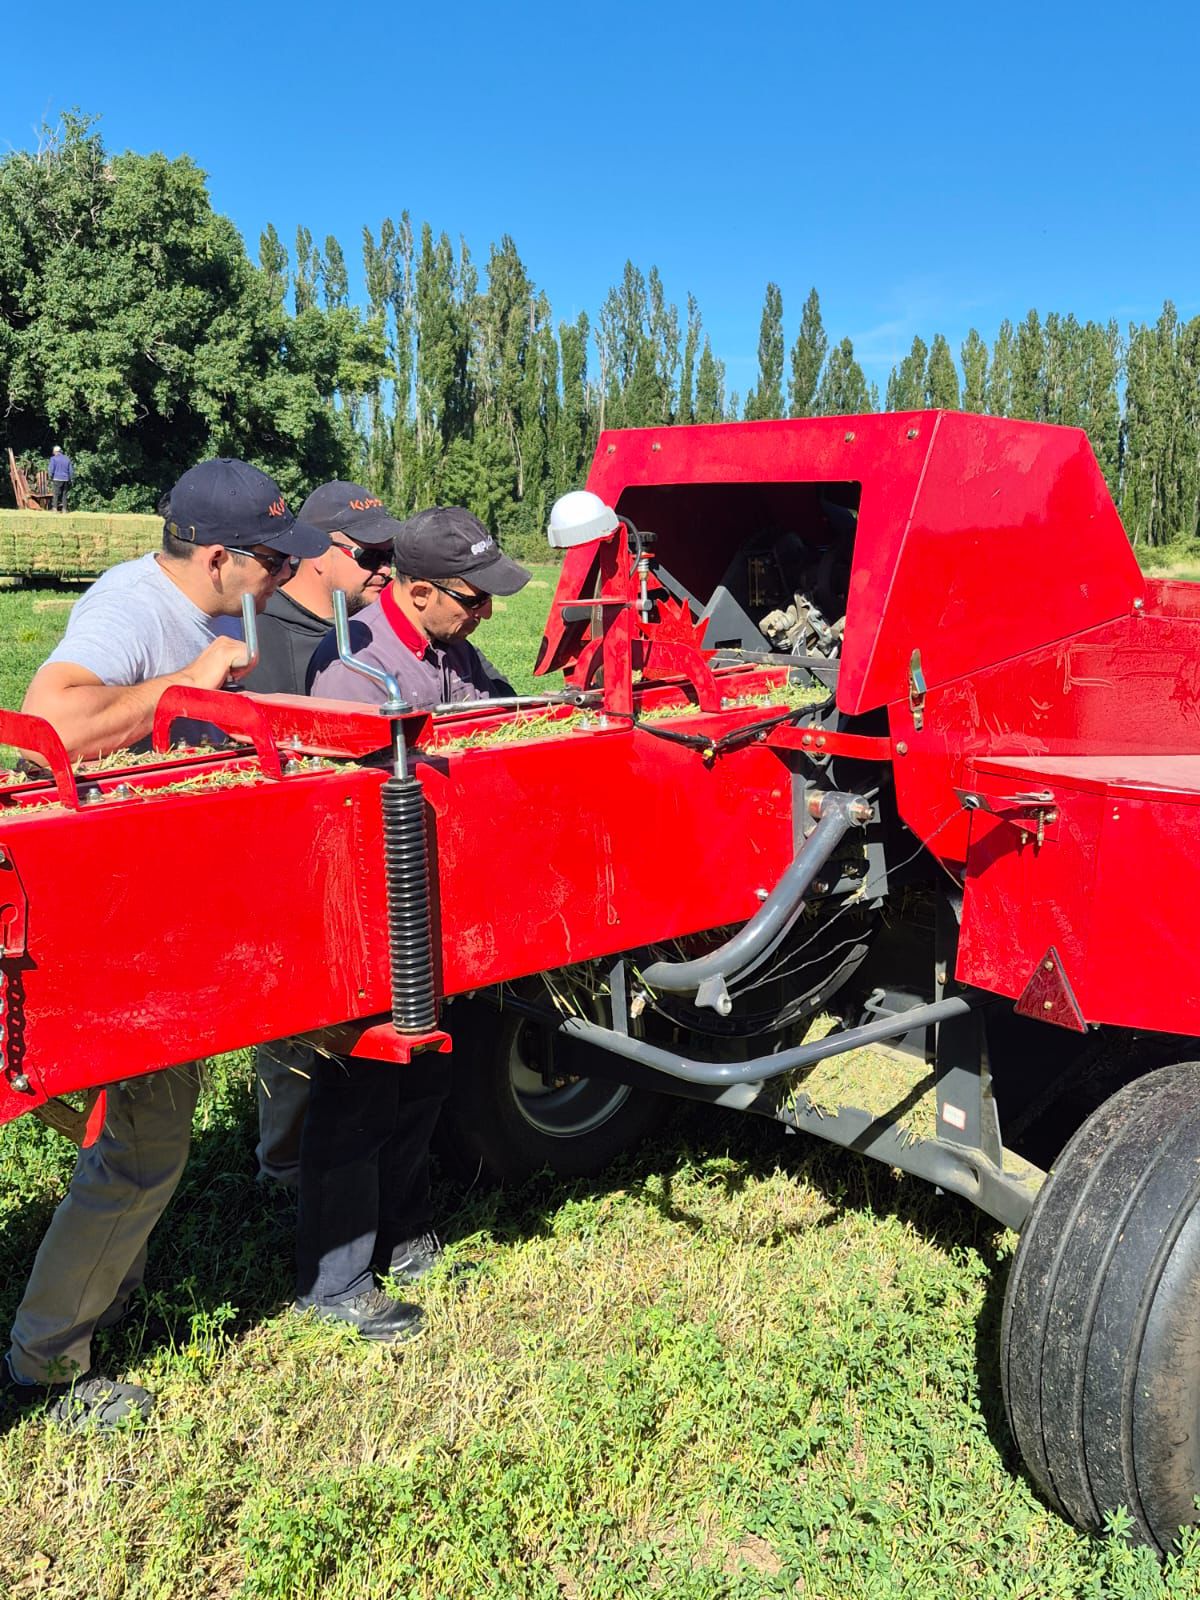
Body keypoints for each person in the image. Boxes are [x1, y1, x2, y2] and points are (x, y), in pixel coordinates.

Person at [3, 458, 329, 1430]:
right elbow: (41, 725)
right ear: (221, 555)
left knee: (126, 1122)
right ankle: (45, 1363)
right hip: (102, 923)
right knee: (145, 1148)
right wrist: (183, 685)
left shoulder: (230, 605)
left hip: (164, 907)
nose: (287, 577)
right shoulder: (135, 608)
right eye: (275, 560)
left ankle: (115, 1264)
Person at [295, 507, 530, 1329]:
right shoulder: (357, 670)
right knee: (360, 1089)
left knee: (429, 1071)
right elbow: (351, 807)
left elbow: (500, 712)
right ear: (418, 587)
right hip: (374, 911)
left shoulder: (448, 646)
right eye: (474, 600)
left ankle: (399, 1224)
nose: (486, 615)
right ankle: (335, 1282)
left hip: (438, 902)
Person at [238, 482, 400, 1194]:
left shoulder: (359, 632)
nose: (385, 571)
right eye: (372, 555)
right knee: (291, 1025)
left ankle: (357, 1148)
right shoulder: (252, 633)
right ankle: (286, 1173)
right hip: (280, 852)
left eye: (392, 556)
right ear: (324, 554)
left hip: (355, 847)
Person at [47, 445, 73, 512]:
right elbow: (71, 470)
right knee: (64, 494)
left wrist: (50, 476)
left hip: (57, 478)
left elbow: (51, 469)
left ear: (56, 452)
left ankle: (55, 508)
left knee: (56, 494)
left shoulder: (53, 459)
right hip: (65, 479)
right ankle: (64, 509)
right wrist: (71, 478)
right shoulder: (67, 458)